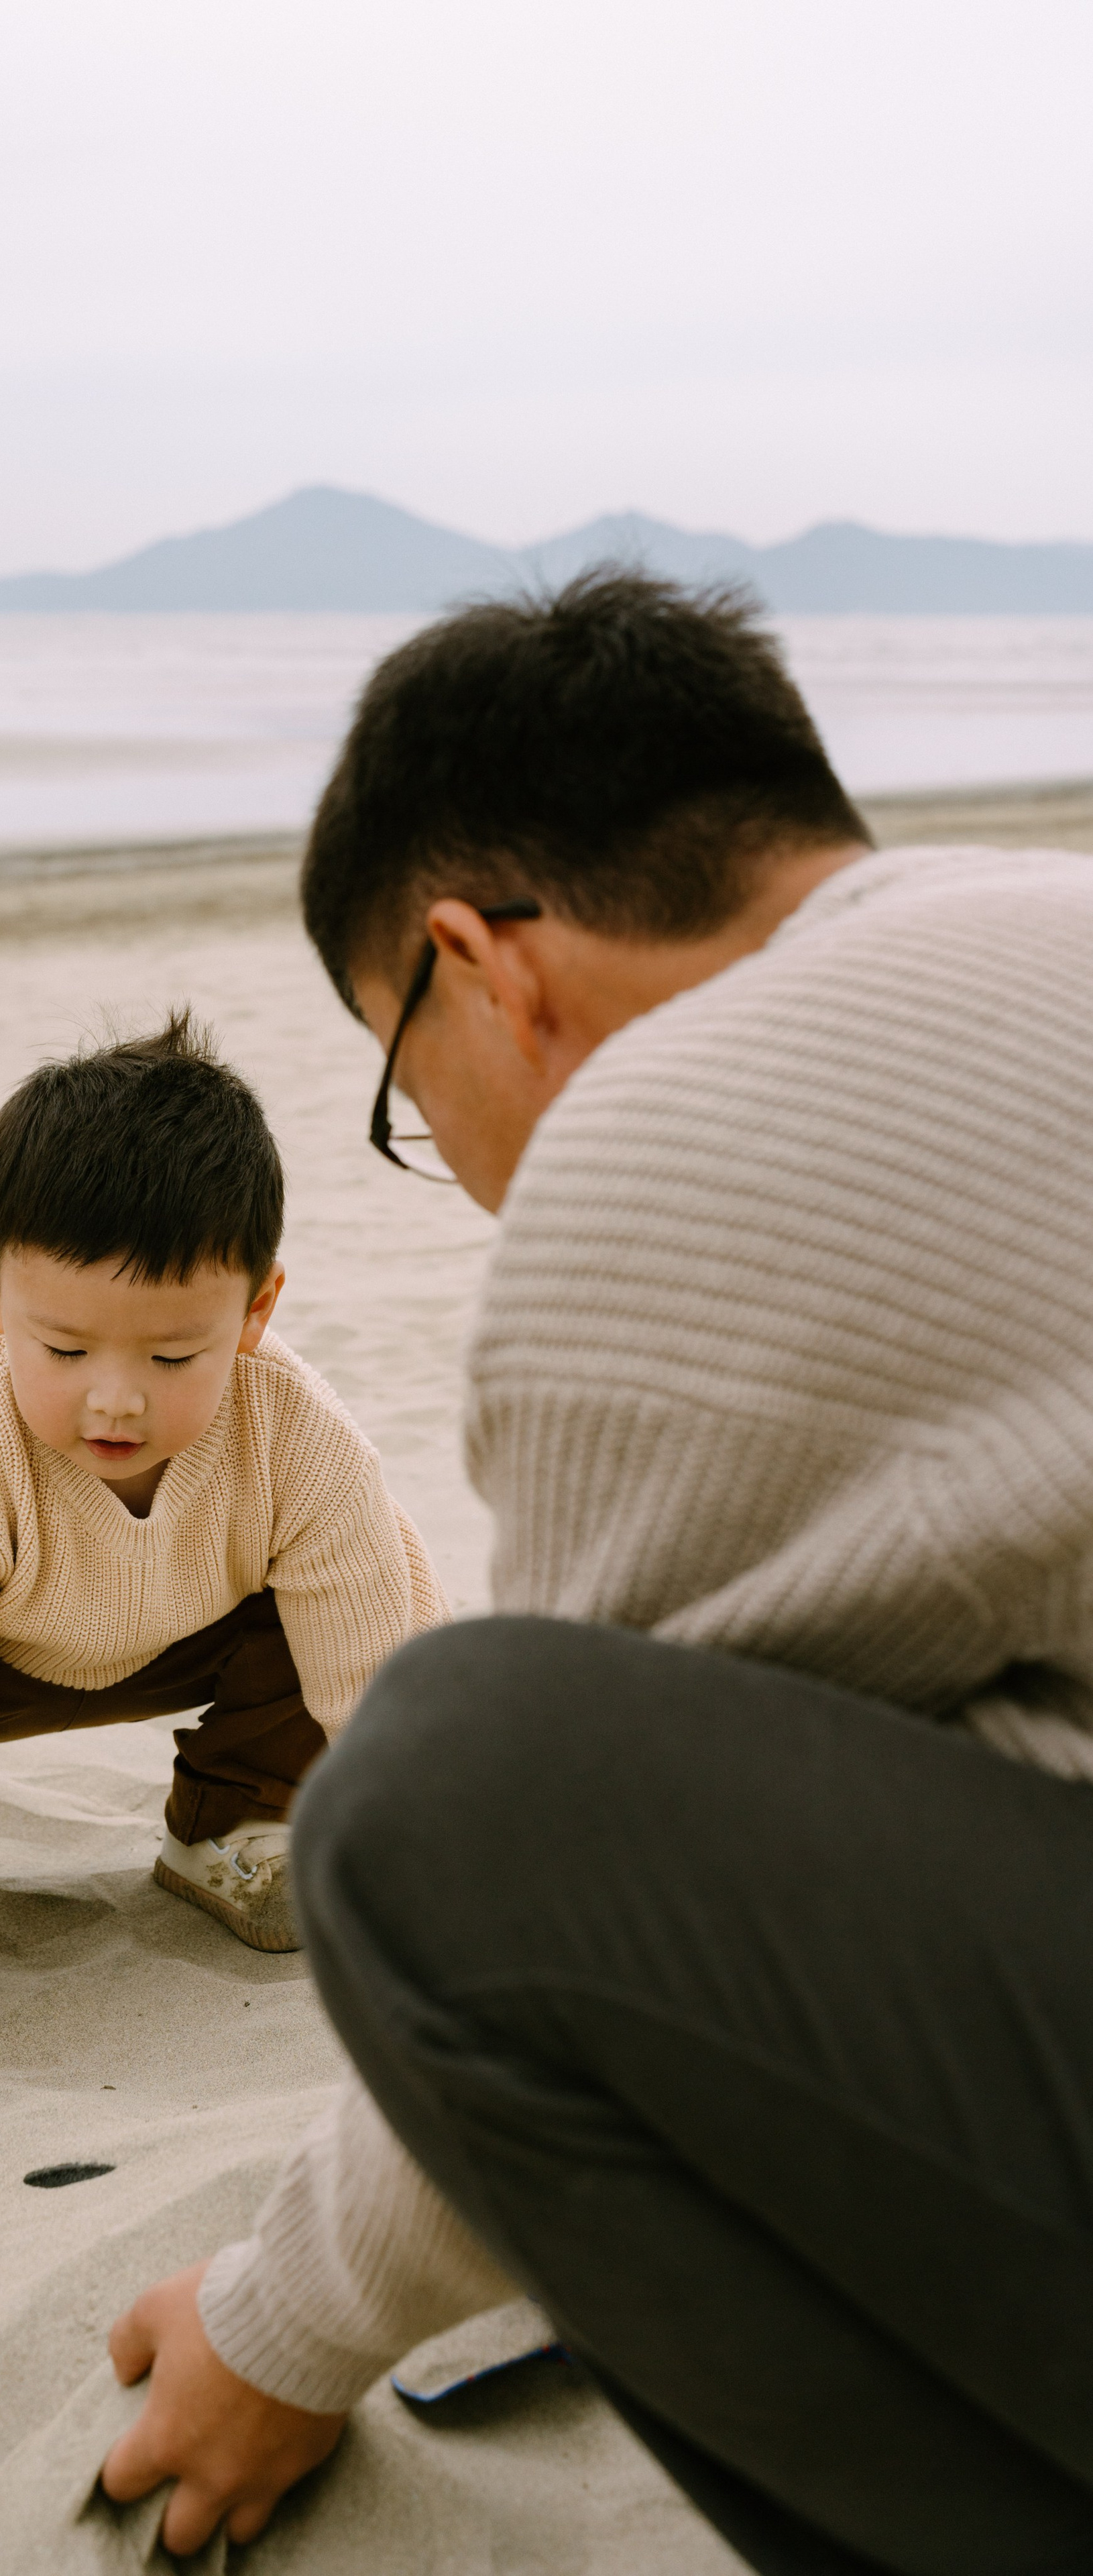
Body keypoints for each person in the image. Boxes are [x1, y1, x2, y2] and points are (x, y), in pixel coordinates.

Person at [99, 576, 1093, 2575]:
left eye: (401, 1086)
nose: (453, 1161)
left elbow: (534, 1909)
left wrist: (277, 2333)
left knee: (436, 1792)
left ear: (476, 964)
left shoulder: (678, 1131)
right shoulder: (1041, 929)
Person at [0, 1011, 444, 2159]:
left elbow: (381, 1684)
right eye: (63, 1351)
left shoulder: (300, 1436)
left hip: (198, 1620)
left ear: (256, 1310)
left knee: (378, 1573)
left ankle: (234, 1824)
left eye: (169, 1357)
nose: (115, 1401)